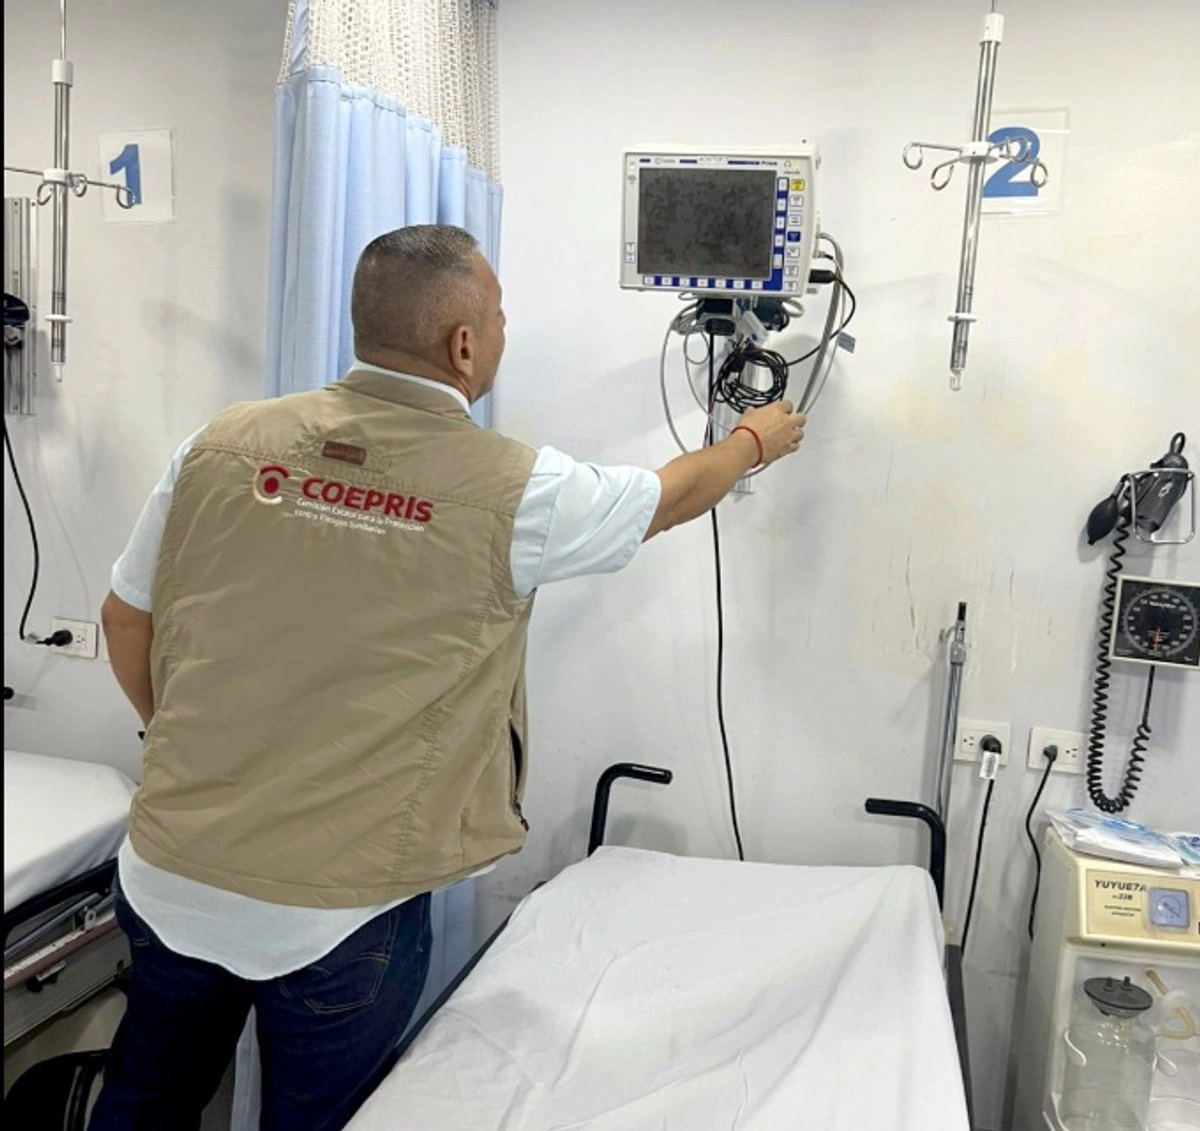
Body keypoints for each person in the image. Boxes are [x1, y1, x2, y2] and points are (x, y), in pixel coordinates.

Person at [90, 224, 805, 1130]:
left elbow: (125, 619)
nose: (501, 332)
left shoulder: (221, 444)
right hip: (341, 917)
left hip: (172, 872)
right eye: (498, 316)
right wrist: (752, 438)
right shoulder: (517, 490)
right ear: (464, 344)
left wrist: (175, 740)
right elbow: (670, 495)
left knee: (147, 1099)